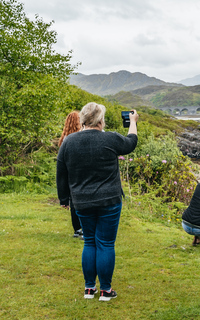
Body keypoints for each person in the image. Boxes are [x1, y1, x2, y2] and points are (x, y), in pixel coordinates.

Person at [56, 102, 139, 301]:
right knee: (106, 244)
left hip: (82, 202)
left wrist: (64, 198)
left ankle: (89, 289)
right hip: (109, 201)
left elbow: (61, 171)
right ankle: (106, 291)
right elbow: (131, 142)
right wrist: (133, 122)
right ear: (100, 120)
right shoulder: (110, 138)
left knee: (90, 242)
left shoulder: (69, 141)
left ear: (83, 119)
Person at [58, 111, 84, 240]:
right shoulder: (80, 137)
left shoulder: (64, 139)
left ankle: (77, 229)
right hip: (79, 172)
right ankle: (82, 228)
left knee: (73, 201)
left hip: (68, 173)